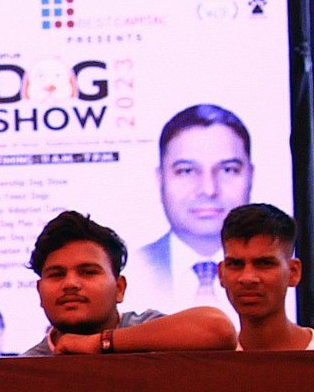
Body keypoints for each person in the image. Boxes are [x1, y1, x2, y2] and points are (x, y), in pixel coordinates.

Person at [21, 210, 233, 355]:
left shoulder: (148, 331)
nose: (71, 284)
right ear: (39, 292)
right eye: (56, 274)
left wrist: (100, 344)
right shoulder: (23, 370)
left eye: (88, 272)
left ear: (119, 288)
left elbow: (219, 330)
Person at [128, 104, 254, 314]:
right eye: (187, 171)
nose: (208, 190)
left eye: (227, 169)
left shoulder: (284, 267)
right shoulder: (129, 269)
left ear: (251, 176)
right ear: (160, 178)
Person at [218, 202, 312, 351]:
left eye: (264, 263)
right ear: (221, 274)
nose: (247, 278)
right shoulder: (208, 358)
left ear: (293, 272)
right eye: (235, 264)